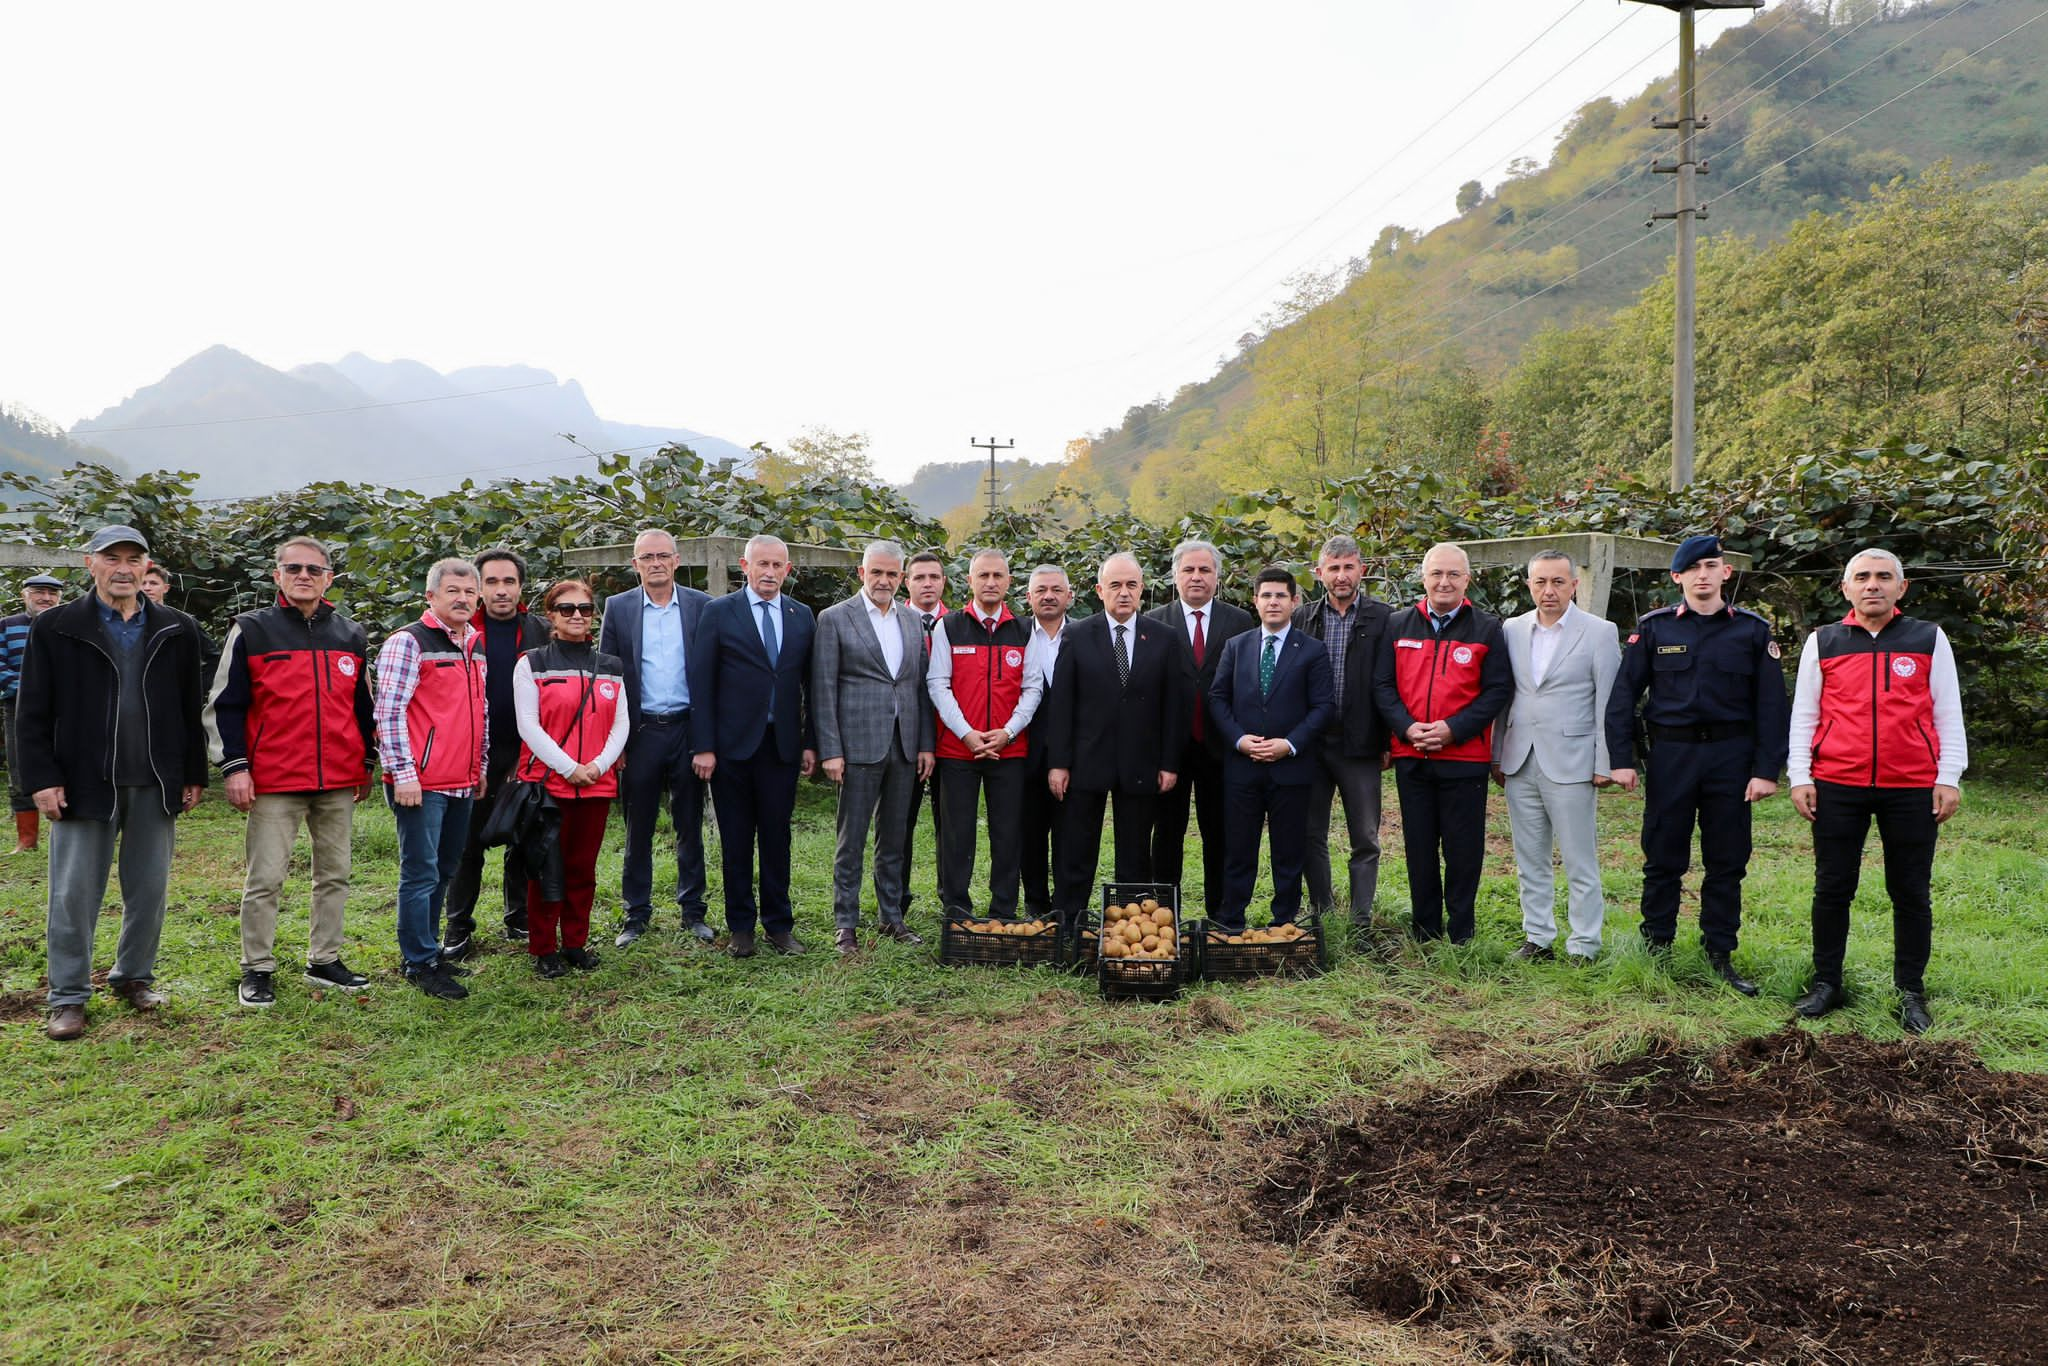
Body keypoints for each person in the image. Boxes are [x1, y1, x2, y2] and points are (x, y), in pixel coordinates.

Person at [16, 528, 206, 1040]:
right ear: (90, 564)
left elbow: (190, 708)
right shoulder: (57, 626)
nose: (123, 568)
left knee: (149, 889)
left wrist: (192, 772)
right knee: (74, 894)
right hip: (82, 782)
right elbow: (31, 711)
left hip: (154, 778)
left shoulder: (176, 627)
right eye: (112, 558)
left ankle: (133, 978)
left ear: (147, 568)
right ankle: (69, 996)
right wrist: (42, 779)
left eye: (134, 559)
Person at [1787, 549, 1967, 1035]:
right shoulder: (1823, 641)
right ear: (1845, 588)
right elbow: (1805, 714)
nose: (1873, 585)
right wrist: (1800, 775)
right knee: (1832, 888)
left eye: (1884, 577)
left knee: (1910, 891)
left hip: (1911, 786)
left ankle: (1910, 990)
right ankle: (1827, 983)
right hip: (1837, 784)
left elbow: (1947, 711)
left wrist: (1948, 775)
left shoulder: (1928, 638)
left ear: (1900, 588)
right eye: (1862, 577)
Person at [1605, 533, 1790, 995]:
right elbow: (1623, 696)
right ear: (1678, 577)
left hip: (1731, 757)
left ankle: (1719, 953)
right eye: (1693, 569)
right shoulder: (1654, 629)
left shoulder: (1751, 631)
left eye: (1711, 567)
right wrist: (1621, 759)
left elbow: (1771, 706)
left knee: (1727, 859)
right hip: (1671, 755)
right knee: (1663, 855)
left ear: (1725, 572)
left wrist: (1767, 770)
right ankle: (1656, 948)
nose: (1702, 576)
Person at [205, 535, 378, 1009]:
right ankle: (257, 968)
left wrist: (366, 761)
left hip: (338, 778)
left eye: (314, 569)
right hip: (274, 780)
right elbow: (226, 705)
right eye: (294, 568)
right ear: (277, 574)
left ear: (329, 578)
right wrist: (235, 766)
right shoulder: (251, 630)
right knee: (265, 878)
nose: (304, 576)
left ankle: (324, 959)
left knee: (335, 874)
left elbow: (363, 706)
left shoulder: (351, 635)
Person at [1373, 543, 1511, 945]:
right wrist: (1405, 727)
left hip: (1464, 758)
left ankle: (1461, 931)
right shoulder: (1398, 624)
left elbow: (1497, 689)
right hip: (1411, 756)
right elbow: (1382, 685)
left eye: (1453, 574)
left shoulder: (1487, 628)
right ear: (1424, 578)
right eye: (1436, 574)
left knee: (1463, 849)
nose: (1444, 582)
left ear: (1467, 579)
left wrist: (1454, 728)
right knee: (1419, 847)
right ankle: (1425, 930)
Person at [690, 534, 817, 957]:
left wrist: (810, 743)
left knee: (778, 839)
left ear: (788, 570)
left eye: (777, 565)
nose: (769, 572)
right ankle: (741, 926)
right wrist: (703, 746)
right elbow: (702, 683)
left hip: (781, 748)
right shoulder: (719, 612)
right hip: (731, 748)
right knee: (737, 839)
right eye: (761, 564)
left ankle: (779, 925)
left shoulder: (801, 616)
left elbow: (810, 687)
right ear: (744, 567)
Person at [1045, 552, 1190, 917]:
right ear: (1099, 590)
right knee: (1076, 850)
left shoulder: (1164, 637)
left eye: (1130, 585)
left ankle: (1133, 929)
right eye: (1115, 585)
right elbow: (1061, 705)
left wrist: (1170, 763)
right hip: (1085, 761)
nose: (1123, 593)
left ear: (1141, 588)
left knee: (1136, 854)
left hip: (1141, 762)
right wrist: (1058, 764)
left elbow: (1175, 706)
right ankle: (1070, 926)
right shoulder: (1077, 634)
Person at [1492, 551, 1620, 964]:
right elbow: (1503, 697)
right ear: (1529, 584)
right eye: (1540, 582)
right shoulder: (1511, 630)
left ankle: (1584, 944)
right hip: (1520, 758)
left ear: (1574, 585)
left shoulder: (1599, 632)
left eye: (1558, 582)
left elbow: (1608, 702)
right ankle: (1538, 937)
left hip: (1573, 759)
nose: (1549, 591)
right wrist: (1497, 754)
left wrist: (1604, 762)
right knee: (1530, 858)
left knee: (1580, 859)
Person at [811, 540, 934, 955]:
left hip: (903, 746)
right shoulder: (834, 619)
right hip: (857, 746)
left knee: (895, 837)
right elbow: (823, 689)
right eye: (876, 572)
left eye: (891, 574)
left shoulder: (912, 621)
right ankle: (845, 923)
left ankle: (891, 916)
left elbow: (917, 687)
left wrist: (924, 745)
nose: (883, 580)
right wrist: (831, 749)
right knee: (852, 839)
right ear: (862, 574)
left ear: (901, 578)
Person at [373, 557, 487, 1000]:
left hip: (460, 778)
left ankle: (432, 952)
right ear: (431, 596)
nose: (462, 598)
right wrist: (403, 773)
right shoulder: (409, 642)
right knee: (420, 873)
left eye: (469, 591)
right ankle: (418, 962)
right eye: (453, 591)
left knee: (445, 870)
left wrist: (479, 764)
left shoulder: (472, 644)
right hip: (421, 782)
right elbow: (388, 712)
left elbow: (480, 711)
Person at [599, 528, 712, 948]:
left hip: (686, 728)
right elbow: (609, 676)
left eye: (663, 556)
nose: (656, 563)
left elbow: (710, 676)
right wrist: (617, 743)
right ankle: (636, 914)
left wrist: (706, 741)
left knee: (689, 824)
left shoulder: (702, 606)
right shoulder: (619, 608)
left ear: (677, 560)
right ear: (636, 564)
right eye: (647, 557)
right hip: (641, 730)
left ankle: (693, 911)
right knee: (638, 827)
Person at [513, 580, 629, 978]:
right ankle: (543, 947)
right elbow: (528, 725)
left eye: (584, 608)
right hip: (548, 785)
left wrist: (597, 766)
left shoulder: (611, 666)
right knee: (545, 869)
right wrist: (569, 767)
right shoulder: (532, 663)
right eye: (566, 609)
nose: (577, 615)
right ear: (551, 615)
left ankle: (575, 942)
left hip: (596, 784)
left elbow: (621, 725)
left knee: (583, 869)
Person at [1207, 565, 1333, 933]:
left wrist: (1289, 744)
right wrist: (1239, 739)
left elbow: (1324, 706)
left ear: (1294, 601)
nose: (1273, 602)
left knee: (1288, 852)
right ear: (1255, 601)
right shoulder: (1237, 646)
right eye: (1266, 595)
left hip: (1290, 768)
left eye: (1281, 595)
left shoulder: (1311, 651)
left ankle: (1283, 923)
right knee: (1239, 850)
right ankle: (1231, 922)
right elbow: (1218, 698)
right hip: (1243, 768)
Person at [925, 549, 1046, 922]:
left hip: (1010, 751)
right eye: (983, 576)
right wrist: (967, 733)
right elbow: (938, 683)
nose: (990, 583)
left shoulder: (1025, 629)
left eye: (998, 576)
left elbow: (1033, 687)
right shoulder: (949, 626)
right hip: (958, 751)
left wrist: (1009, 732)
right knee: (957, 836)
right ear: (970, 580)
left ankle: (1003, 913)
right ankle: (957, 911)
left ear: (1009, 582)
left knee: (1007, 834)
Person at [444, 547, 549, 953]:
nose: (501, 590)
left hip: (527, 751)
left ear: (522, 587)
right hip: (470, 753)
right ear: (478, 587)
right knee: (467, 841)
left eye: (509, 581)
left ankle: (518, 917)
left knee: (524, 834)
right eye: (491, 582)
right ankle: (458, 926)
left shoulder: (540, 631)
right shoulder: (458, 631)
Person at [1291, 534, 1394, 932]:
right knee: (1309, 832)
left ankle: (1361, 919)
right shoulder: (1303, 619)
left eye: (1349, 567)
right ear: (1319, 574)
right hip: (1312, 743)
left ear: (1361, 571)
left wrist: (1387, 740)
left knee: (1365, 836)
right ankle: (1321, 911)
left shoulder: (1383, 619)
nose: (1341, 575)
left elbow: (1390, 684)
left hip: (1361, 743)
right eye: (1333, 568)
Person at [1147, 540, 1254, 919]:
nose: (1196, 577)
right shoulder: (1155, 623)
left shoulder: (1240, 623)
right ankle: (1163, 918)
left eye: (1204, 570)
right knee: (1167, 835)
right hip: (1169, 752)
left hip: (1221, 748)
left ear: (1217, 577)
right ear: (1175, 575)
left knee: (1220, 834)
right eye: (1189, 570)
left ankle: (1221, 916)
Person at [891, 549, 950, 921]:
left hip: (949, 740)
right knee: (899, 822)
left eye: (934, 577)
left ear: (944, 582)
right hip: (904, 739)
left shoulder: (957, 623)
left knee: (950, 823)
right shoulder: (892, 621)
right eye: (919, 578)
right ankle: (896, 898)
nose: (927, 584)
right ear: (906, 583)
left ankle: (951, 898)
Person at [1019, 564, 1074, 921]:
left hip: (1073, 755)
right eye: (1041, 590)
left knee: (1071, 835)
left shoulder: (1085, 636)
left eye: (1056, 589)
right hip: (1024, 753)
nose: (1049, 596)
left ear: (1070, 596)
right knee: (1030, 833)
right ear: (1029, 597)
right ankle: (1035, 905)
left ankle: (1067, 908)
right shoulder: (1016, 634)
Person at [2, 572, 65, 855]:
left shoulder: (67, 624)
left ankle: (65, 835)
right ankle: (27, 840)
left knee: (69, 765)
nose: (46, 598)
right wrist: (30, 690)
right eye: (39, 592)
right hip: (17, 706)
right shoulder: (6, 626)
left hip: (65, 708)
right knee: (20, 768)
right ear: (24, 595)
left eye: (52, 593)